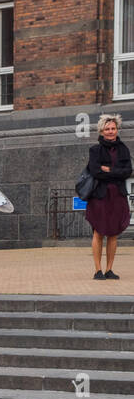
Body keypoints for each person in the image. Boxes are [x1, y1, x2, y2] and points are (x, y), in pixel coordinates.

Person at [84, 114, 131, 280]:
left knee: (113, 233)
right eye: (107, 129)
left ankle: (109, 269)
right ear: (102, 131)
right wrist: (116, 172)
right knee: (98, 232)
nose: (111, 131)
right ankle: (98, 270)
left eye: (113, 128)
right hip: (100, 196)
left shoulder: (123, 149)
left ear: (117, 129)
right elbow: (96, 172)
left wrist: (110, 170)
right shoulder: (95, 150)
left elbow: (128, 171)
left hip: (118, 195)